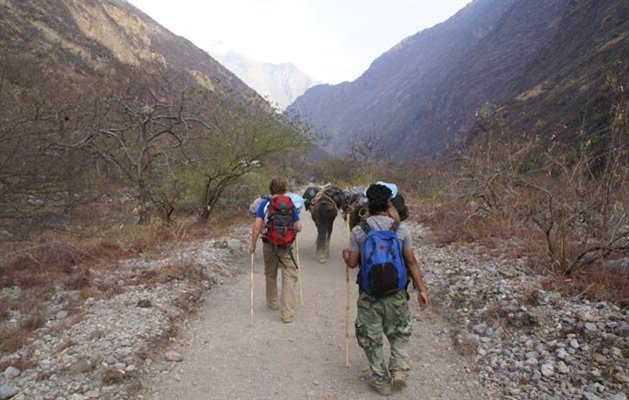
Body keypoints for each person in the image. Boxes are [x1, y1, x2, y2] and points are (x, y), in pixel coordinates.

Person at [342, 183, 429, 395]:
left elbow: (353, 263)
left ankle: (381, 380)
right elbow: (411, 262)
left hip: (369, 295)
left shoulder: (358, 231)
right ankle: (399, 368)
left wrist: (345, 254)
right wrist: (422, 290)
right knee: (399, 330)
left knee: (370, 337)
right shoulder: (401, 230)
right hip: (396, 293)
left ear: (368, 204)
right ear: (389, 203)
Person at [250, 176, 303, 323]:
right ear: (285, 188)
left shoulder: (265, 204)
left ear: (271, 188)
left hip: (268, 243)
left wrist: (253, 245)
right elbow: (299, 227)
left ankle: (272, 303)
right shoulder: (289, 203)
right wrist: (290, 233)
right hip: (286, 246)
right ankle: (287, 314)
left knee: (270, 273)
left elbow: (257, 226)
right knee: (289, 275)